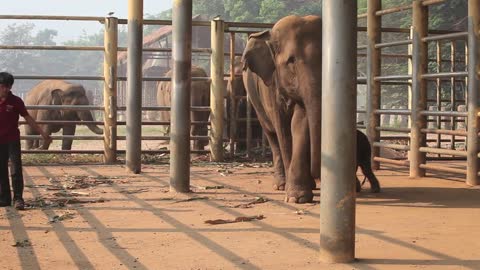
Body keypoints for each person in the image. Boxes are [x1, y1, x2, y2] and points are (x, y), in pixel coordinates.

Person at [0, 72, 52, 210]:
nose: (5, 89)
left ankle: (18, 199)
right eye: (3, 86)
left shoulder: (16, 101)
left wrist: (43, 133)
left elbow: (28, 118)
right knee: (1, 170)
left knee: (16, 169)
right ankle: (4, 199)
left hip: (12, 140)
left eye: (8, 87)